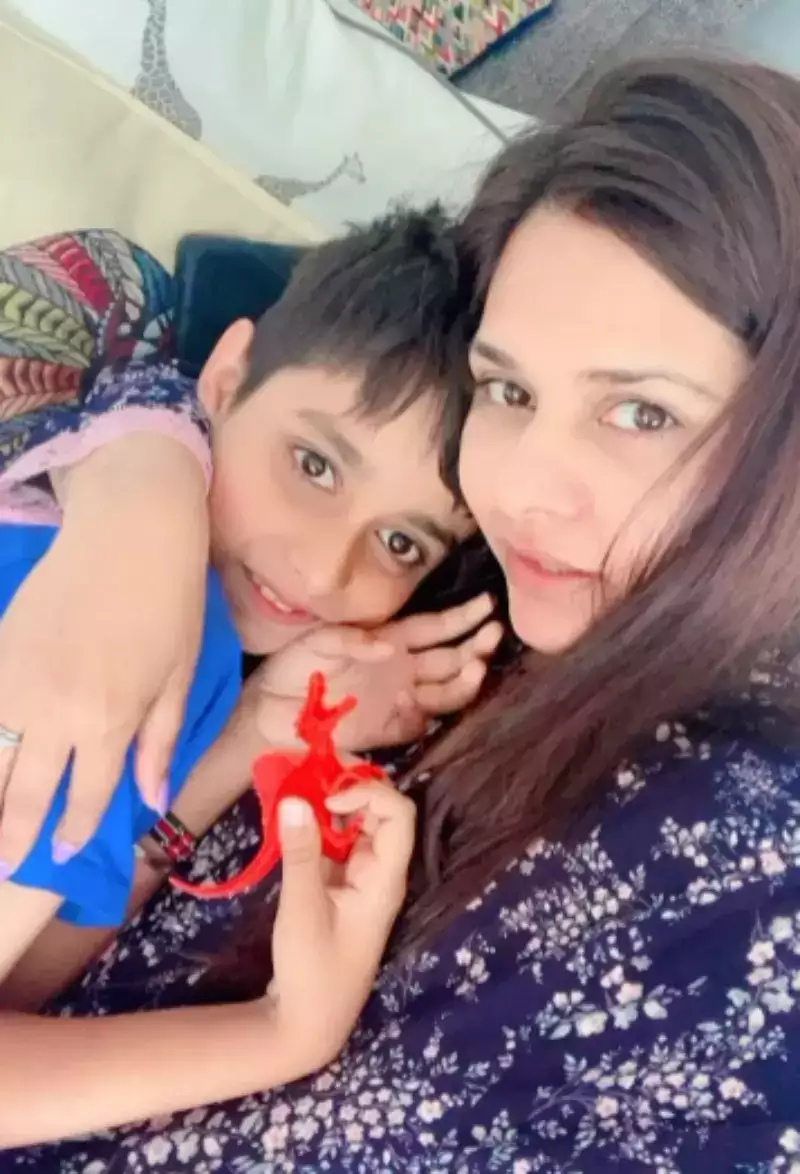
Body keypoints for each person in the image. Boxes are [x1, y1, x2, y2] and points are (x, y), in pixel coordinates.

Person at [6, 52, 800, 1172]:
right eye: (509, 390)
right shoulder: (463, 563)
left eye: (641, 412)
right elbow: (98, 288)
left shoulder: (748, 892)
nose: (520, 486)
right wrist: (139, 490)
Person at [0, 207, 497, 879]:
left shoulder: (247, 683)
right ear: (227, 378)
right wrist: (146, 472)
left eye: (400, 543)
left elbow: (35, 946)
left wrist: (255, 731)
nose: (323, 574)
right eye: (314, 466)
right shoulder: (116, 314)